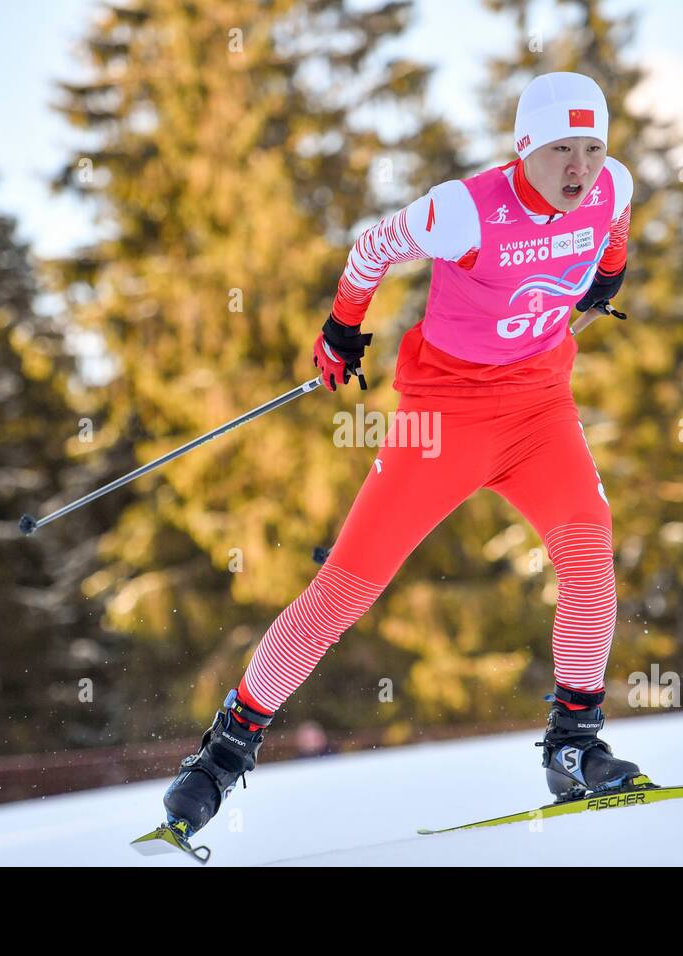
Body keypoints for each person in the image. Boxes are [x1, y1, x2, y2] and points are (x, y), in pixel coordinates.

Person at [163, 72, 641, 841]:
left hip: (540, 411)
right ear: (525, 148)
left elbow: (615, 219)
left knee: (589, 560)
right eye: (561, 151)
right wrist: (342, 328)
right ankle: (224, 750)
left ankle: (574, 747)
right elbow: (374, 245)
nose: (579, 169)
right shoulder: (465, 209)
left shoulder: (611, 185)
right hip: (444, 421)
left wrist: (609, 271)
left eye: (591, 148)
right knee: (343, 592)